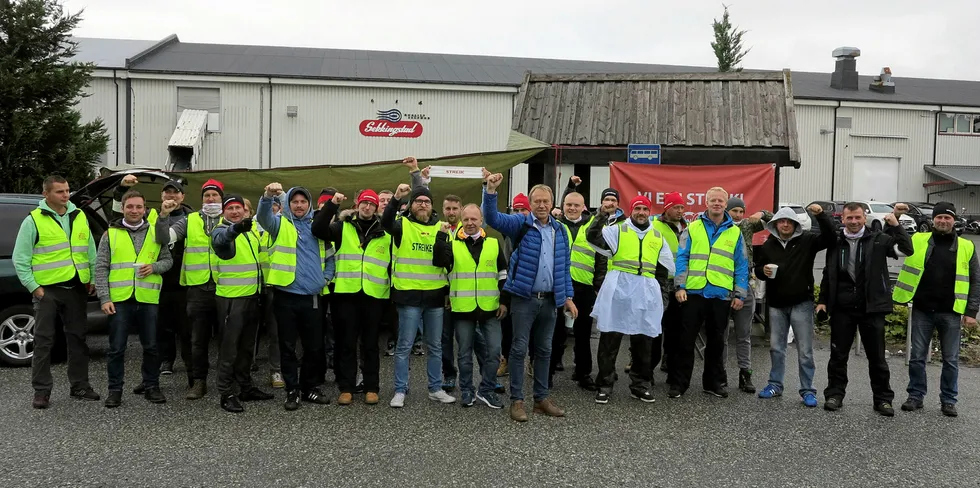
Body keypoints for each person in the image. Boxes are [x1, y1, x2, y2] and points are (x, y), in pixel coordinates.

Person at [482, 172, 575, 422]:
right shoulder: (519, 224)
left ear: (552, 203)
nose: (542, 205)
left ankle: (541, 399)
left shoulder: (561, 230)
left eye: (546, 201)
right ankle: (517, 401)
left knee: (544, 350)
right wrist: (490, 190)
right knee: (519, 349)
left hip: (550, 300)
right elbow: (490, 217)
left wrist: (567, 297)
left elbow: (563, 266)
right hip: (524, 298)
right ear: (531, 203)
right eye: (537, 202)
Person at [818, 202, 912, 416]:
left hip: (872, 307)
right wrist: (823, 300)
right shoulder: (836, 241)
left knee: (877, 357)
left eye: (857, 218)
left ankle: (883, 399)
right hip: (843, 308)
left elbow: (907, 249)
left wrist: (896, 225)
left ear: (864, 218)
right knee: (838, 356)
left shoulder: (878, 240)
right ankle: (834, 394)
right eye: (849, 218)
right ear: (843, 219)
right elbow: (828, 273)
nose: (853, 222)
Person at [14, 175, 100, 409]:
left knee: (78, 339)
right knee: (43, 342)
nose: (66, 195)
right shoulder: (33, 221)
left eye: (68, 190)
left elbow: (90, 251)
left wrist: (91, 278)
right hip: (48, 291)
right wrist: (36, 289)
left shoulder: (79, 215)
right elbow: (20, 259)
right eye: (60, 191)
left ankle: (80, 386)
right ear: (46, 194)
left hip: (76, 289)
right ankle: (41, 391)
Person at [892, 202, 980, 417]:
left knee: (950, 360)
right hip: (923, 309)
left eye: (947, 218)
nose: (942, 221)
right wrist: (895, 217)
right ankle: (915, 396)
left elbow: (975, 280)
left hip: (951, 312)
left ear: (953, 220)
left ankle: (948, 400)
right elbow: (894, 241)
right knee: (917, 357)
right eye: (939, 217)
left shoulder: (967, 246)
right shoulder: (917, 240)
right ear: (933, 220)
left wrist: (971, 312)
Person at [587, 195, 674, 404]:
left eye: (645, 209)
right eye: (637, 209)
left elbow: (663, 271)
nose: (641, 212)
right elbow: (593, 236)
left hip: (645, 292)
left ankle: (640, 384)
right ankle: (605, 384)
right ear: (632, 211)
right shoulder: (618, 230)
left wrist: (661, 296)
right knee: (610, 339)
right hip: (619, 289)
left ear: (649, 211)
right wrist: (601, 214)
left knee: (644, 341)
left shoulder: (656, 236)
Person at [257, 183, 334, 411]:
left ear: (309, 205)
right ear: (287, 204)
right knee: (287, 347)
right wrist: (266, 196)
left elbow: (330, 258)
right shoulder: (279, 224)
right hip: (286, 297)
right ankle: (292, 390)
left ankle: (309, 387)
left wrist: (325, 279)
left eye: (303, 202)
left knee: (313, 347)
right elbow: (263, 217)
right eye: (294, 202)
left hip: (312, 297)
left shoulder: (318, 227)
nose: (299, 205)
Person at [381, 176, 456, 408]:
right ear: (411, 205)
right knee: (404, 346)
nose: (423, 204)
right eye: (418, 201)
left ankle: (435, 388)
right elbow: (385, 222)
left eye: (427, 201)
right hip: (409, 296)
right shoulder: (401, 225)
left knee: (435, 346)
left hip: (434, 297)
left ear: (432, 206)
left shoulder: (442, 227)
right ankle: (400, 390)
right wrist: (396, 198)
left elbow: (447, 262)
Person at [95, 190, 173, 408]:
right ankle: (115, 390)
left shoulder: (156, 232)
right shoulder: (110, 234)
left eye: (139, 207)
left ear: (145, 209)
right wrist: (104, 297)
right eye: (130, 206)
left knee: (151, 346)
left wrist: (154, 267)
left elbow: (168, 260)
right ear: (122, 208)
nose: (134, 211)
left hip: (147, 298)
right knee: (116, 348)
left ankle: (151, 386)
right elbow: (101, 267)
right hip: (119, 299)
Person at [670, 187, 749, 399]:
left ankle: (713, 383)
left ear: (726, 204)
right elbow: (682, 258)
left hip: (720, 295)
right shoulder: (693, 227)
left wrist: (740, 294)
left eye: (720, 201)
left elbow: (741, 265)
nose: (717, 203)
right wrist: (680, 286)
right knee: (685, 341)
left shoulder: (735, 232)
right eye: (713, 200)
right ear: (706, 203)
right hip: (693, 292)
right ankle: (679, 384)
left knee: (716, 342)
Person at [312, 189, 390, 406]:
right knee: (346, 343)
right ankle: (346, 387)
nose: (367, 207)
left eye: (372, 204)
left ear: (376, 208)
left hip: (374, 295)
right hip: (346, 294)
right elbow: (317, 228)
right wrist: (332, 206)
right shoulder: (342, 227)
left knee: (371, 344)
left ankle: (371, 387)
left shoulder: (385, 232)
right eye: (364, 203)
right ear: (358, 205)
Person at [754, 204, 835, 407]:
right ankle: (775, 385)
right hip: (776, 304)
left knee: (805, 350)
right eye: (781, 221)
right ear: (775, 224)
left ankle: (808, 390)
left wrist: (821, 216)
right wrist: (763, 270)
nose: (785, 224)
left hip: (802, 302)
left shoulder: (807, 240)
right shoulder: (768, 245)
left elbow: (830, 238)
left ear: (796, 224)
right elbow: (758, 269)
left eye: (789, 222)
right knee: (776, 348)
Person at [155, 179, 226, 400]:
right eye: (207, 196)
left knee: (228, 338)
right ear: (201, 199)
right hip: (197, 288)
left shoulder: (231, 217)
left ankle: (229, 381)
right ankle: (198, 382)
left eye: (215, 195)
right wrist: (164, 217)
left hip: (226, 287)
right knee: (197, 339)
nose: (211, 199)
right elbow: (165, 238)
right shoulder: (190, 220)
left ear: (222, 199)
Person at [433, 204, 509, 408]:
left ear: (481, 220)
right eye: (466, 219)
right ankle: (467, 390)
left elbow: (503, 273)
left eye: (474, 219)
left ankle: (486, 389)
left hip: (490, 307)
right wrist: (440, 237)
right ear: (461, 220)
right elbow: (439, 262)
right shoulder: (451, 242)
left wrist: (504, 301)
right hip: (462, 308)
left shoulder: (493, 243)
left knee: (493, 352)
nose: (470, 223)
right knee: (464, 354)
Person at [210, 194, 275, 413]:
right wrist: (235, 229)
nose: (235, 212)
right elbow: (222, 242)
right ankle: (226, 392)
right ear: (223, 212)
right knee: (229, 350)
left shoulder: (251, 233)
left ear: (246, 211)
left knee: (247, 348)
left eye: (239, 208)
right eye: (230, 208)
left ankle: (245, 387)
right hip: (231, 299)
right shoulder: (221, 231)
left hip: (251, 297)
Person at [549, 176, 606, 391]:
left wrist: (598, 285)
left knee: (583, 334)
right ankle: (547, 374)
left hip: (584, 288)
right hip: (558, 286)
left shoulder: (592, 227)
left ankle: (583, 374)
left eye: (576, 205)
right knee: (555, 333)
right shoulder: (554, 225)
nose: (572, 208)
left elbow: (601, 258)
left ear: (583, 208)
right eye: (568, 205)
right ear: (562, 206)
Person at [725, 197, 773, 393]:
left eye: (740, 211)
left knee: (743, 335)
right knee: (721, 334)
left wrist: (761, 212)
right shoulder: (721, 227)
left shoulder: (746, 225)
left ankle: (745, 374)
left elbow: (773, 220)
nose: (737, 215)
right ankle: (719, 374)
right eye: (734, 211)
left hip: (745, 284)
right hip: (723, 284)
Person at [496, 192, 532, 378]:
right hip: (511, 281)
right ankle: (506, 360)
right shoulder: (508, 229)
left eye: (523, 209)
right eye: (516, 209)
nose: (519, 213)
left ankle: (533, 361)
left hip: (532, 282)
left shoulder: (537, 228)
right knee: (507, 324)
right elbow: (492, 216)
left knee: (534, 325)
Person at [652, 191, 686, 373]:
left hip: (679, 284)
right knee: (655, 327)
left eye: (682, 207)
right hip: (659, 282)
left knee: (675, 328)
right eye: (676, 207)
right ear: (666, 208)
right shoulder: (654, 225)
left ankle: (669, 363)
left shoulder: (686, 226)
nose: (680, 211)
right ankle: (647, 367)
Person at [439, 194, 463, 392]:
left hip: (466, 294)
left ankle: (483, 377)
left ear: (461, 209)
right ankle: (448, 374)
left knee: (474, 339)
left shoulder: (471, 229)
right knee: (445, 338)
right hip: (444, 295)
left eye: (455, 208)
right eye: (448, 208)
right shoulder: (438, 230)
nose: (451, 212)